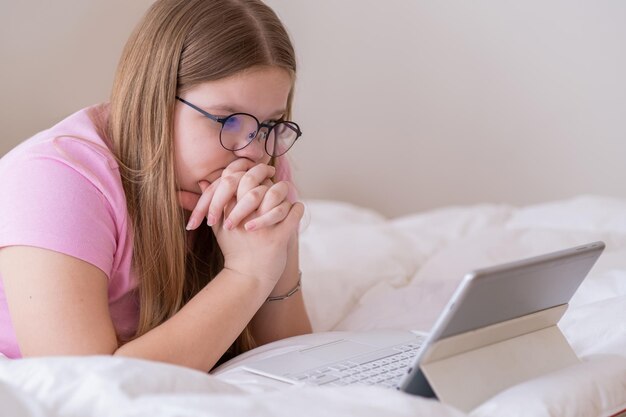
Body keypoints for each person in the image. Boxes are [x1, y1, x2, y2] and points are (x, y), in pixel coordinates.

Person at [0, 0, 312, 371]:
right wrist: (247, 273)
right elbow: (86, 385)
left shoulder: (263, 161)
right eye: (227, 120)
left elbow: (297, 360)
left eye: (270, 125)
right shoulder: (55, 179)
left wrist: (276, 253)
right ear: (157, 98)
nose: (252, 152)